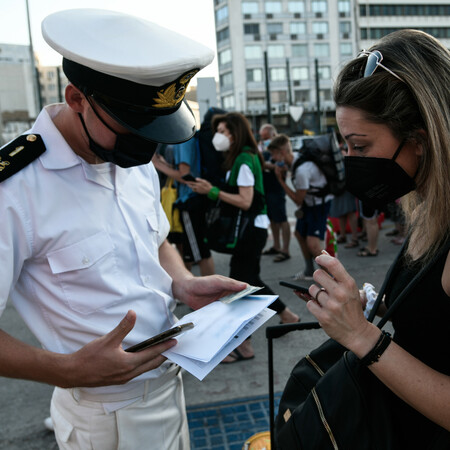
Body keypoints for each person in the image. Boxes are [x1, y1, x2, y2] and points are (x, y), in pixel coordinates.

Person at [0, 9, 248, 449]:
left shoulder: (129, 162)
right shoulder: (15, 189)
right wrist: (69, 370)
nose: (145, 144)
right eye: (131, 126)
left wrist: (183, 284)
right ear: (76, 98)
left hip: (170, 386)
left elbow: (155, 239)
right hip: (104, 415)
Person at [297, 30, 450, 447]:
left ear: (419, 138)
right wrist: (359, 307)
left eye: (360, 147)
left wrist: (362, 336)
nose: (352, 163)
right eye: (345, 147)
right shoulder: (427, 210)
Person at [188, 113, 299, 362]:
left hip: (251, 230)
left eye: (225, 131)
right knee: (247, 281)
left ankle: (246, 343)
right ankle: (285, 316)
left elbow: (246, 201)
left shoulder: (244, 159)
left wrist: (212, 191)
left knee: (242, 286)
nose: (220, 136)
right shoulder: (242, 157)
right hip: (253, 229)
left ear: (236, 134)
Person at [268, 134, 333, 280]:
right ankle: (309, 271)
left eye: (273, 154)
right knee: (299, 233)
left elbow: (297, 199)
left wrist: (280, 181)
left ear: (282, 153)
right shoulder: (296, 159)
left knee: (313, 244)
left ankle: (331, 278)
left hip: (318, 205)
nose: (272, 158)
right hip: (309, 204)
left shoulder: (302, 170)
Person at [153, 137, 215, 276]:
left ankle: (210, 295)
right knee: (195, 250)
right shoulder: (188, 138)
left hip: (190, 199)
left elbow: (185, 176)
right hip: (194, 199)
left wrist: (157, 164)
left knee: (200, 253)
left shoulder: (183, 140)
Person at [259, 124, 292, 262]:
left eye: (266, 137)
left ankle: (285, 249)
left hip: (277, 190)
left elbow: (284, 167)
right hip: (267, 189)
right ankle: (276, 246)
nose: (264, 140)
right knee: (272, 219)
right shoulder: (266, 151)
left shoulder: (280, 150)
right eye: (262, 138)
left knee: (282, 219)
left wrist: (269, 166)